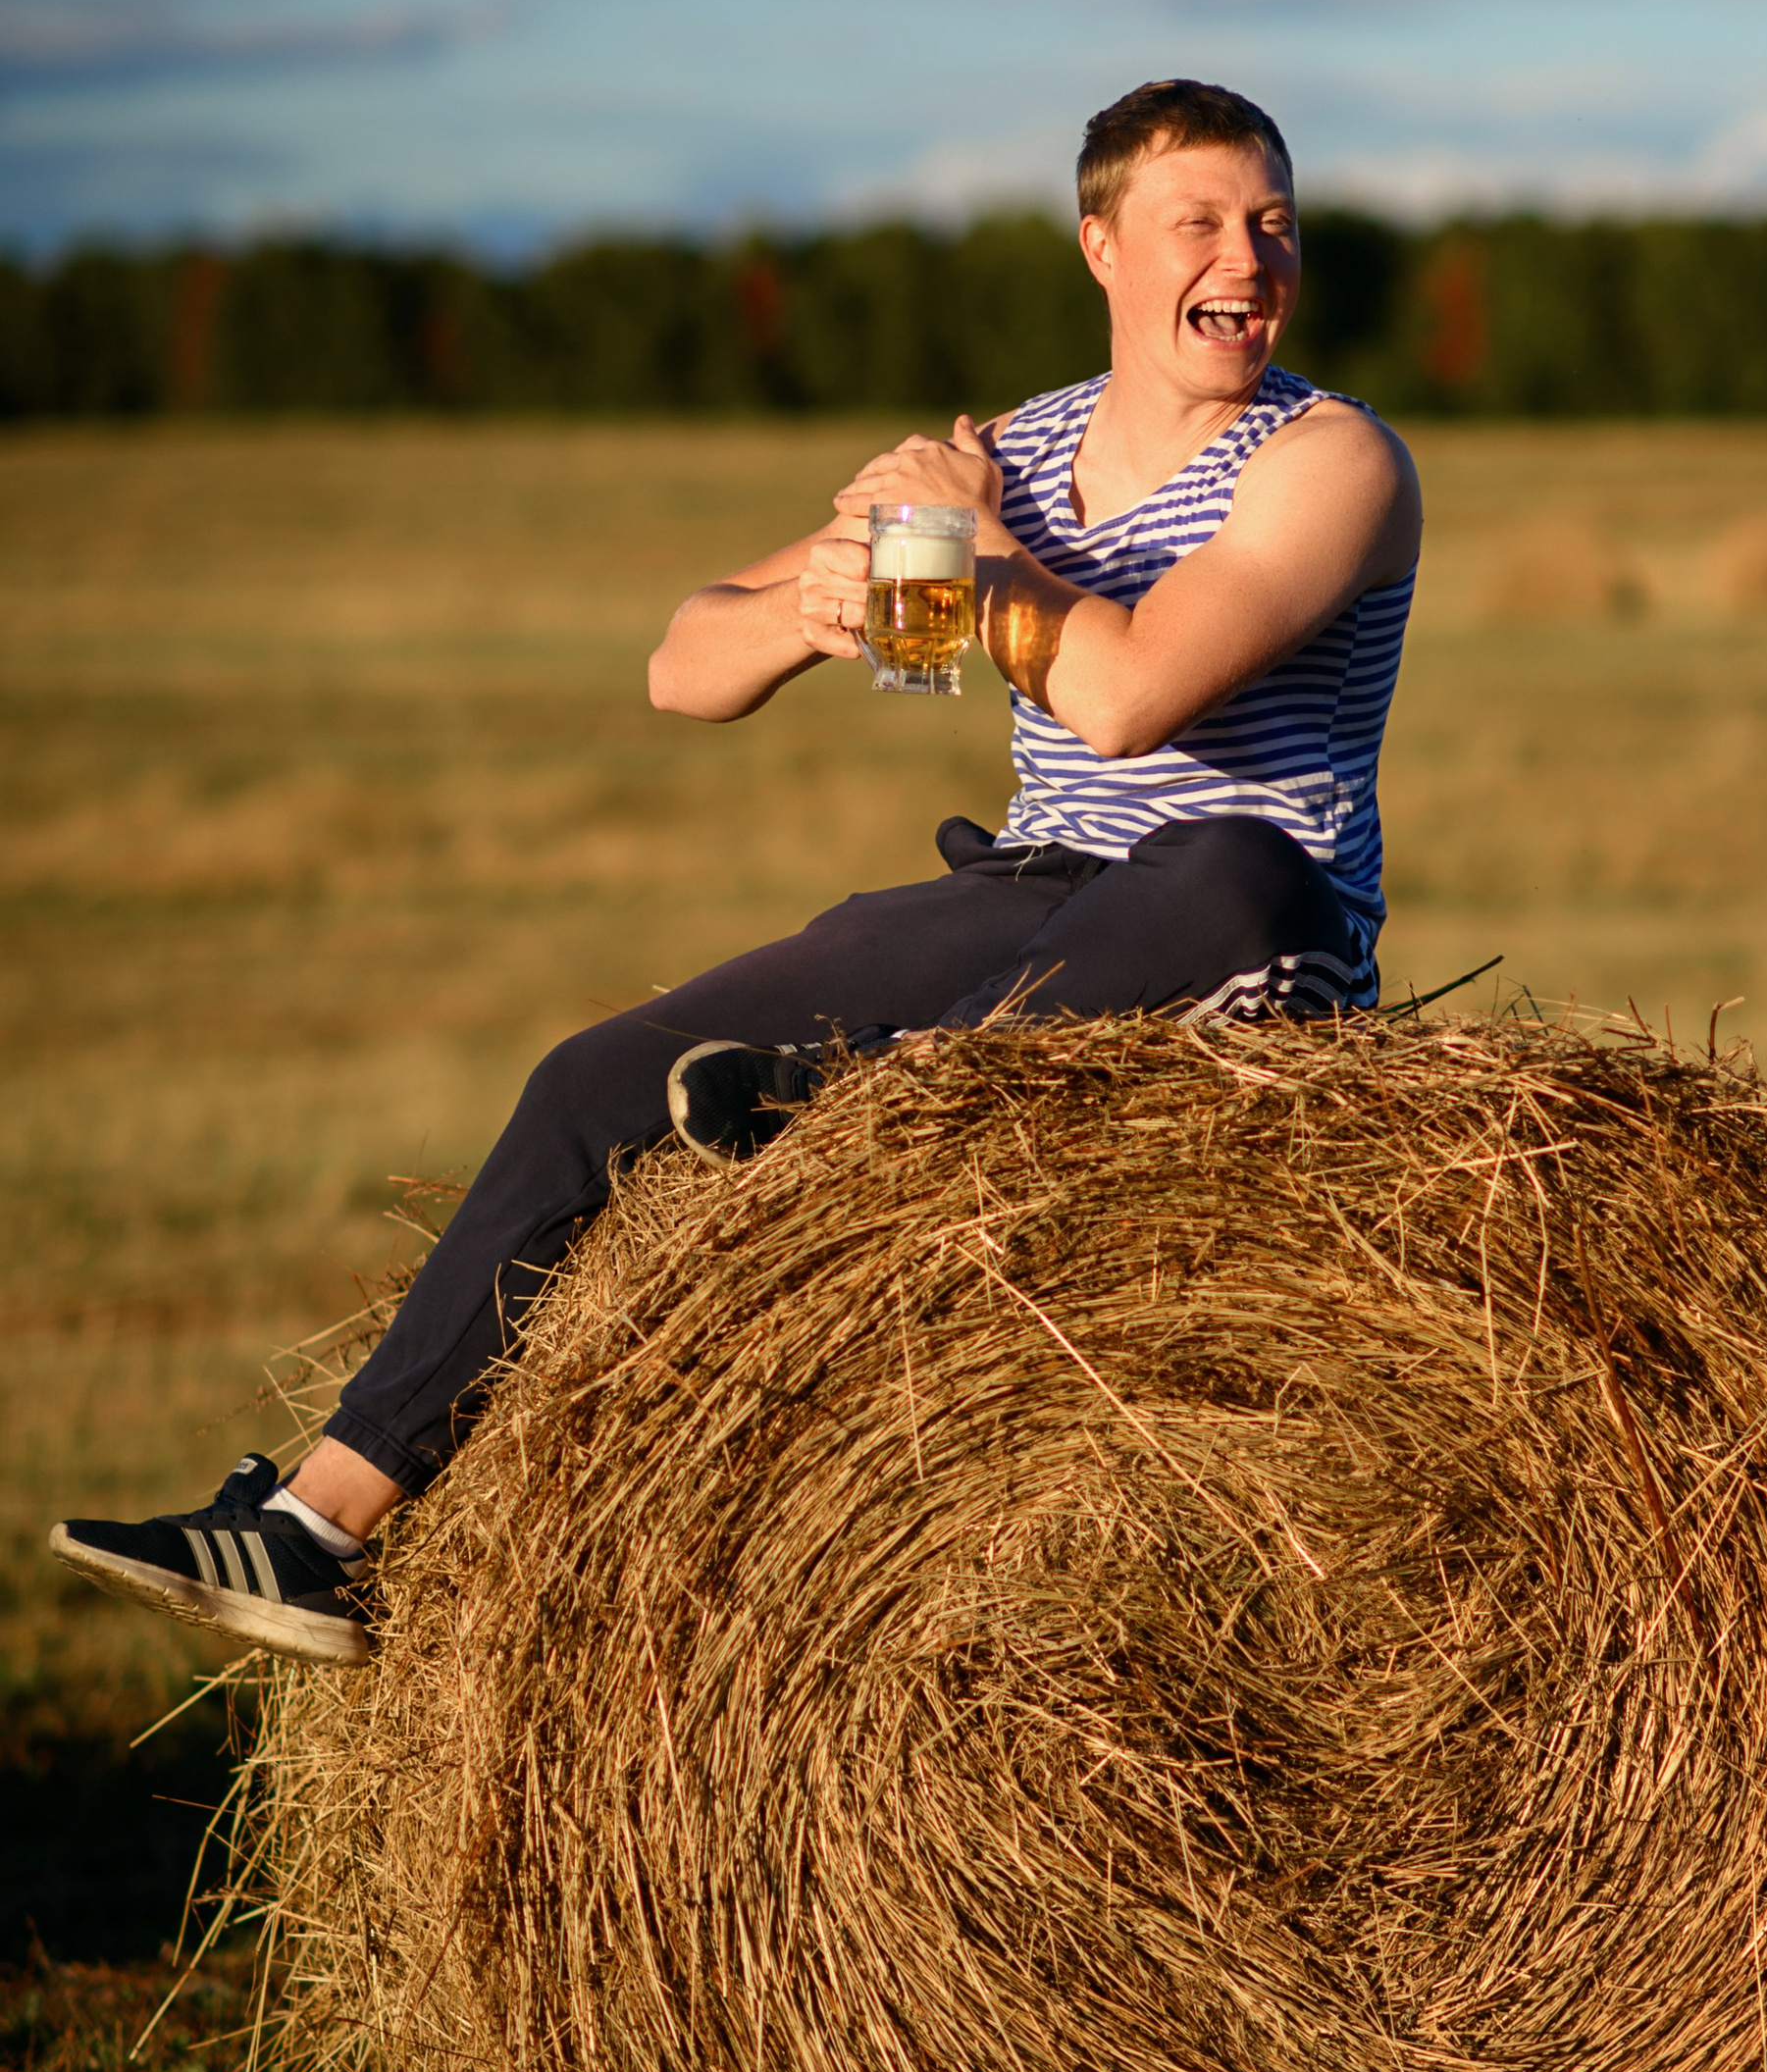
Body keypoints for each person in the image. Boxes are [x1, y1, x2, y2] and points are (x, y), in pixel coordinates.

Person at [50, 81, 1421, 1670]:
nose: (1249, 259)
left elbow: (1124, 697)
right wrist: (820, 604)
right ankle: (313, 1526)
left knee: (1230, 863)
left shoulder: (1329, 461)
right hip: (1042, 888)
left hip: (1249, 922)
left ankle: (864, 1106)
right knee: (596, 1074)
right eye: (1203, 221)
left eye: (1273, 223)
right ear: (1102, 244)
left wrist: (980, 559)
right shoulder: (1010, 454)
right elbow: (680, 664)